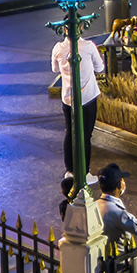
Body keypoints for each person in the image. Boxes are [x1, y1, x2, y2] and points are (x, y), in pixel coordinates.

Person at [51, 32, 105, 183]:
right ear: (80, 27)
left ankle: (70, 171)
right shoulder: (88, 46)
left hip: (68, 98)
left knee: (70, 133)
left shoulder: (58, 48)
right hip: (87, 98)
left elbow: (55, 69)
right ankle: (84, 173)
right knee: (85, 136)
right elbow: (100, 68)